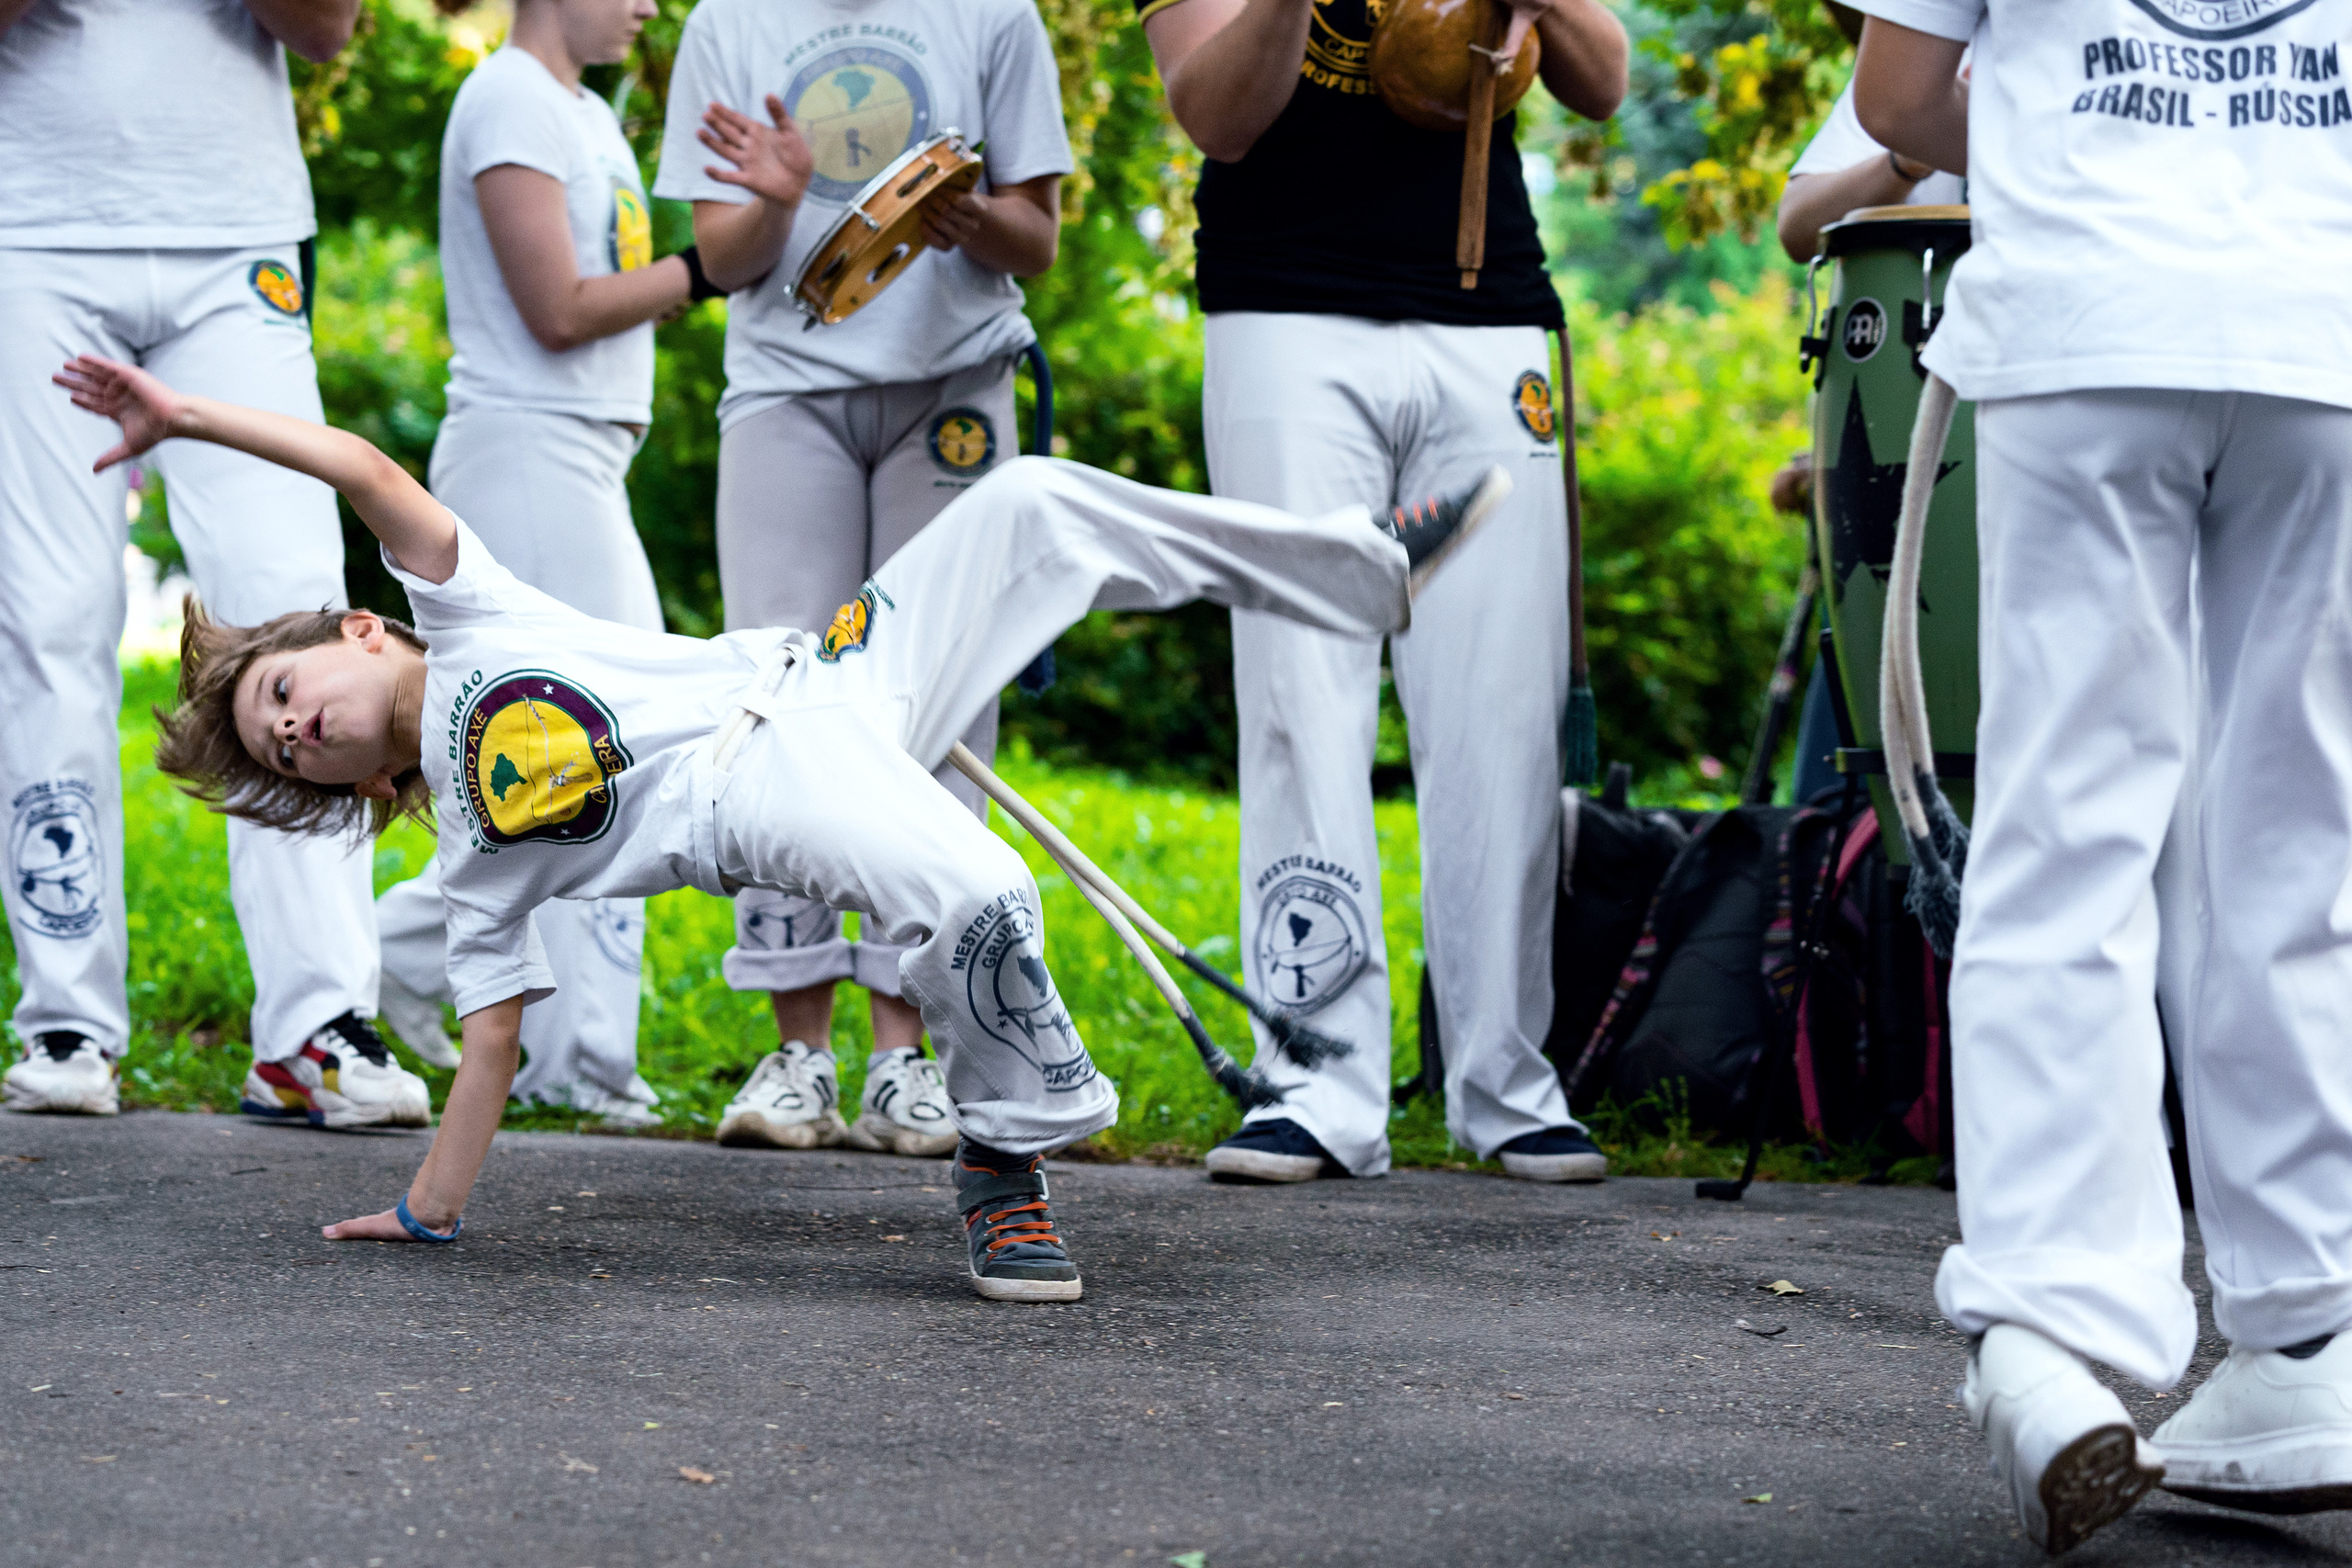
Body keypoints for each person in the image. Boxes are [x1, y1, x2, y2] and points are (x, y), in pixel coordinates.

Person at [56, 351, 1502, 1300]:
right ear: (357, 793)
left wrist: (183, 417)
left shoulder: (467, 599)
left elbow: (364, 467)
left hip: (832, 668)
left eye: (290, 690)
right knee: (977, 890)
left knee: (1035, 498)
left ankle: (1364, 571)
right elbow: (489, 1044)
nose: (295, 723)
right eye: (282, 748)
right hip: (765, 790)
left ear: (364, 630)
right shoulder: (474, 860)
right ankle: (1006, 1159)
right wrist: (428, 1209)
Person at [1855, 0, 2352, 1550]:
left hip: (2087, 316)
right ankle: (2310, 1331)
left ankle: (2059, 1331)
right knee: (2299, 845)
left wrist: (2098, 134)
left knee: (2070, 832)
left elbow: (1898, 90)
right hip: (2321, 321)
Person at [1137, 0, 1628, 1184]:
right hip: (1285, 311)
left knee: (1500, 711)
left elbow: (1603, 81)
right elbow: (1215, 116)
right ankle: (1318, 1079)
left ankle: (1506, 1082)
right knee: (1304, 694)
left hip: (1489, 310)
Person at [646, 0, 1073, 1160]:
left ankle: (906, 1055)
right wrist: (781, 198)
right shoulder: (727, 23)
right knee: (777, 703)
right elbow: (721, 258)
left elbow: (1036, 238)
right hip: (786, 392)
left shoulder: (996, 16)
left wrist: (970, 218)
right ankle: (799, 1051)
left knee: (934, 709)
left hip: (955, 390)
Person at [0, 0, 428, 1130]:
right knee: (51, 620)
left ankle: (316, 1028)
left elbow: (327, 31)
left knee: (294, 616)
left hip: (233, 226)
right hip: (33, 223)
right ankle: (66, 1019)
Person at [369, 0, 713, 1128]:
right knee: (613, 748)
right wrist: (705, 268)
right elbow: (559, 311)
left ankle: (401, 961)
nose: (649, 7)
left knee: (570, 758)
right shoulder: (509, 96)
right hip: (527, 454)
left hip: (578, 460)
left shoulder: (584, 113)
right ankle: (579, 1059)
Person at [1769, 55, 1965, 807]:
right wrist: (1905, 158)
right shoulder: (1937, 57)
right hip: (1912, 442)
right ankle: (1854, 878)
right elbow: (1799, 224)